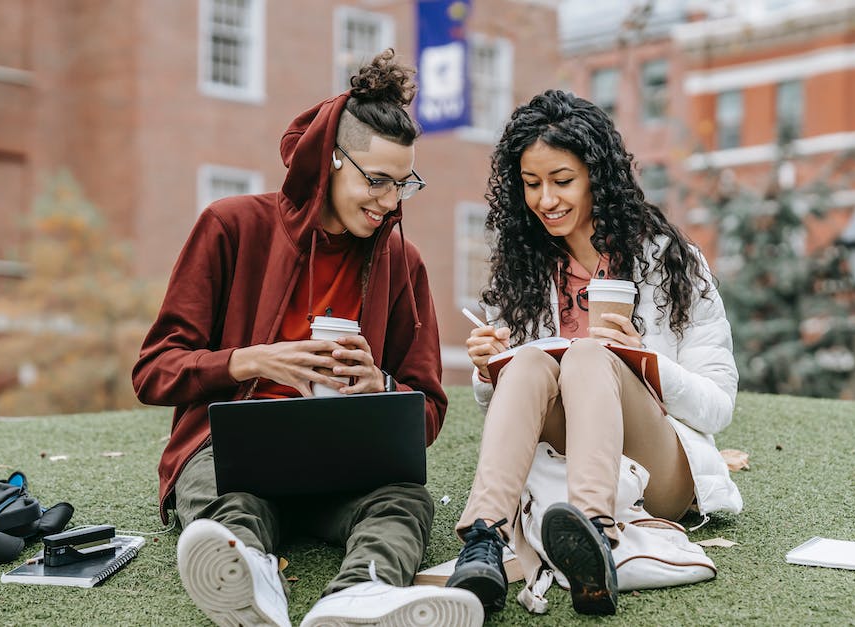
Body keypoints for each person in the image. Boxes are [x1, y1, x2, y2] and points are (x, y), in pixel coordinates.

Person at [132, 50, 481, 627]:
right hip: (232, 456)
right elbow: (154, 371)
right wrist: (250, 362)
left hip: (346, 463)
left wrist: (383, 385)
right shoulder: (231, 225)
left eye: (403, 184)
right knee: (229, 506)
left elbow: (429, 410)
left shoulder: (403, 262)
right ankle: (251, 581)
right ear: (331, 161)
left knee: (403, 502)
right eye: (376, 181)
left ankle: (359, 595)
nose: (389, 202)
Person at [444, 90, 742, 616]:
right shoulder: (524, 269)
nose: (546, 200)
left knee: (586, 356)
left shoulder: (670, 262)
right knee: (533, 361)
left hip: (660, 469)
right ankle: (484, 539)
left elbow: (718, 407)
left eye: (562, 181)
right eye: (531, 184)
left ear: (597, 179)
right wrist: (490, 369)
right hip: (562, 457)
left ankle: (593, 536)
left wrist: (643, 361)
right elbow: (509, 410)